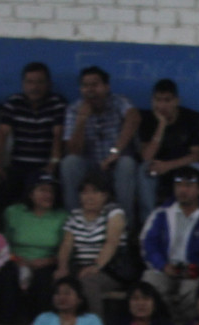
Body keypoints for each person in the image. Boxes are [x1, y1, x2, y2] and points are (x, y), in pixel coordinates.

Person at [140, 165, 199, 324]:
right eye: (179, 185)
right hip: (165, 268)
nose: (183, 190)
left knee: (193, 293)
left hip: (196, 271)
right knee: (149, 282)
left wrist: (198, 267)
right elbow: (148, 243)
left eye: (189, 186)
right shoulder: (161, 213)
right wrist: (162, 266)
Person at [60, 66, 140, 229]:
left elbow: (134, 117)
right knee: (69, 163)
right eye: (85, 86)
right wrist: (81, 121)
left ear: (106, 87)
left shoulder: (118, 101)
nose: (90, 90)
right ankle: (74, 225)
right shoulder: (75, 109)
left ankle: (124, 228)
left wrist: (115, 151)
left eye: (95, 85)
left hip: (114, 164)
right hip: (89, 168)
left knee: (127, 164)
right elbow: (73, 150)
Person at [0, 61, 66, 206]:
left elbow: (58, 135)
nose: (34, 87)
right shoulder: (14, 102)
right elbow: (2, 134)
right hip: (18, 165)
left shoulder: (57, 103)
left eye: (40, 82)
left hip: (44, 166)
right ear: (23, 84)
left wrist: (53, 164)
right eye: (30, 82)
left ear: (48, 84)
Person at [54, 172, 133, 318]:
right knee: (58, 280)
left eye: (95, 192)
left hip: (110, 270)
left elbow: (112, 243)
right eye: (84, 192)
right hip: (80, 267)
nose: (89, 197)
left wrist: (96, 266)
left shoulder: (114, 213)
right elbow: (66, 246)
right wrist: (62, 267)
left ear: (105, 195)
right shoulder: (75, 216)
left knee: (87, 282)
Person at [137, 79, 199, 223]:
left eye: (167, 100)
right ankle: (148, 223)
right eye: (158, 100)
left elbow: (196, 155)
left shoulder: (190, 117)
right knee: (144, 170)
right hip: (157, 169)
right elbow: (146, 157)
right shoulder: (147, 119)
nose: (162, 105)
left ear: (176, 101)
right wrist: (161, 125)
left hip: (181, 166)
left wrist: (168, 166)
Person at [2, 175, 67, 322]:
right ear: (31, 194)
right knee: (6, 275)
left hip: (47, 262)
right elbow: (3, 245)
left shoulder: (62, 216)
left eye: (51, 191)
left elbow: (66, 248)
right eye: (43, 190)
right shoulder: (13, 212)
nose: (48, 195)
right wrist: (17, 260)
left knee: (43, 280)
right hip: (16, 260)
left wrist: (49, 261)